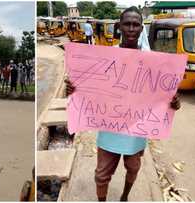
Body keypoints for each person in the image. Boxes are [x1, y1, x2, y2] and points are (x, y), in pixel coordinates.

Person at [65, 6, 181, 201]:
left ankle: (125, 197)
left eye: (136, 25)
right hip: (109, 130)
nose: (131, 29)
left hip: (136, 132)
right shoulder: (105, 57)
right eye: (127, 24)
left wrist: (174, 103)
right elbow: (90, 88)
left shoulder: (154, 62)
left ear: (141, 28)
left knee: (133, 168)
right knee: (101, 175)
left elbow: (165, 98)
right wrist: (74, 90)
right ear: (119, 27)